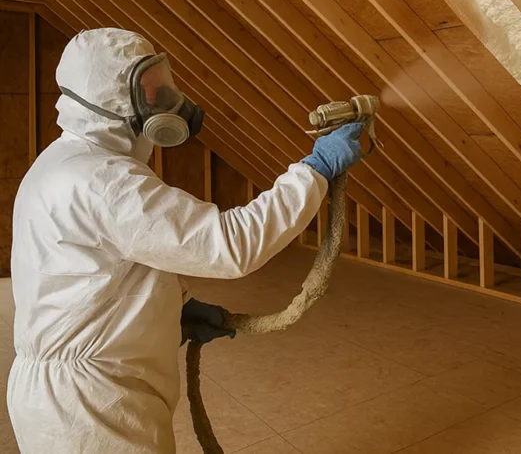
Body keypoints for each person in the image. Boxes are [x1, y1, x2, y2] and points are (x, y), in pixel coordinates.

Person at [7, 28, 364, 453]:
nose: (164, 99)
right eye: (149, 90)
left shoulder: (65, 162)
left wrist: (169, 311)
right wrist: (315, 170)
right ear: (112, 100)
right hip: (91, 407)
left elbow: (98, 275)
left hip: (74, 392)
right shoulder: (103, 181)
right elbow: (230, 245)